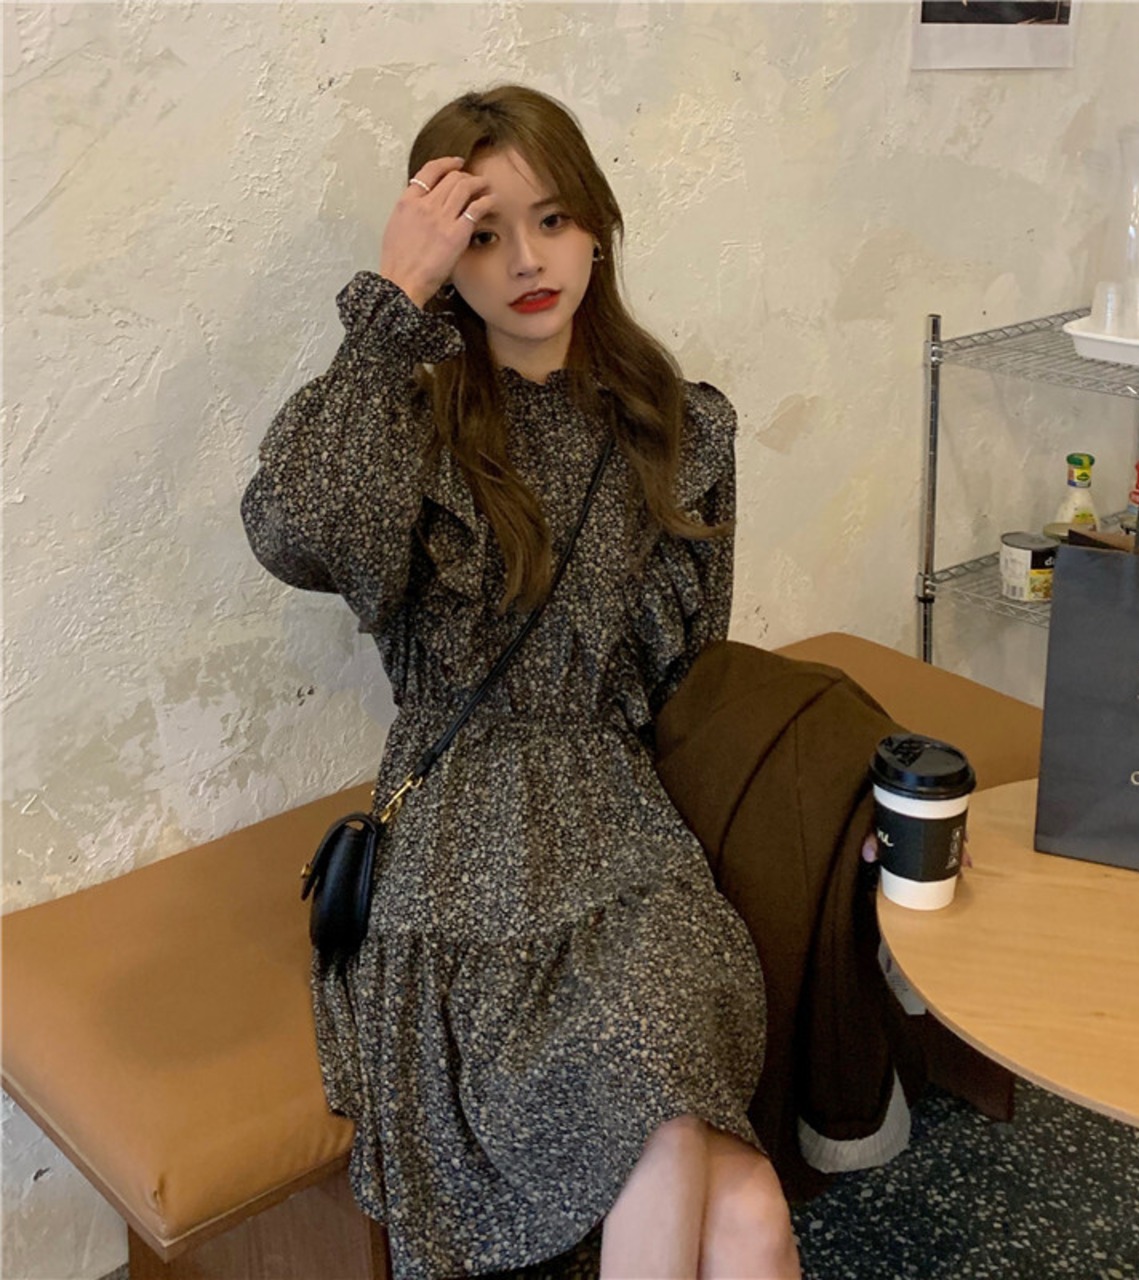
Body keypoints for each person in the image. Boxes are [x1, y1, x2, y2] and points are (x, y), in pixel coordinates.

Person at [241, 85, 801, 1280]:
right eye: (482, 236)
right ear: (443, 259)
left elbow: (686, 667)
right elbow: (291, 530)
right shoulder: (404, 422)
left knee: (746, 1204)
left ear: (597, 223)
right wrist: (387, 306)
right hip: (458, 840)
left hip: (625, 842)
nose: (528, 263)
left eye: (552, 220)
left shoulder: (677, 428)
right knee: (696, 1158)